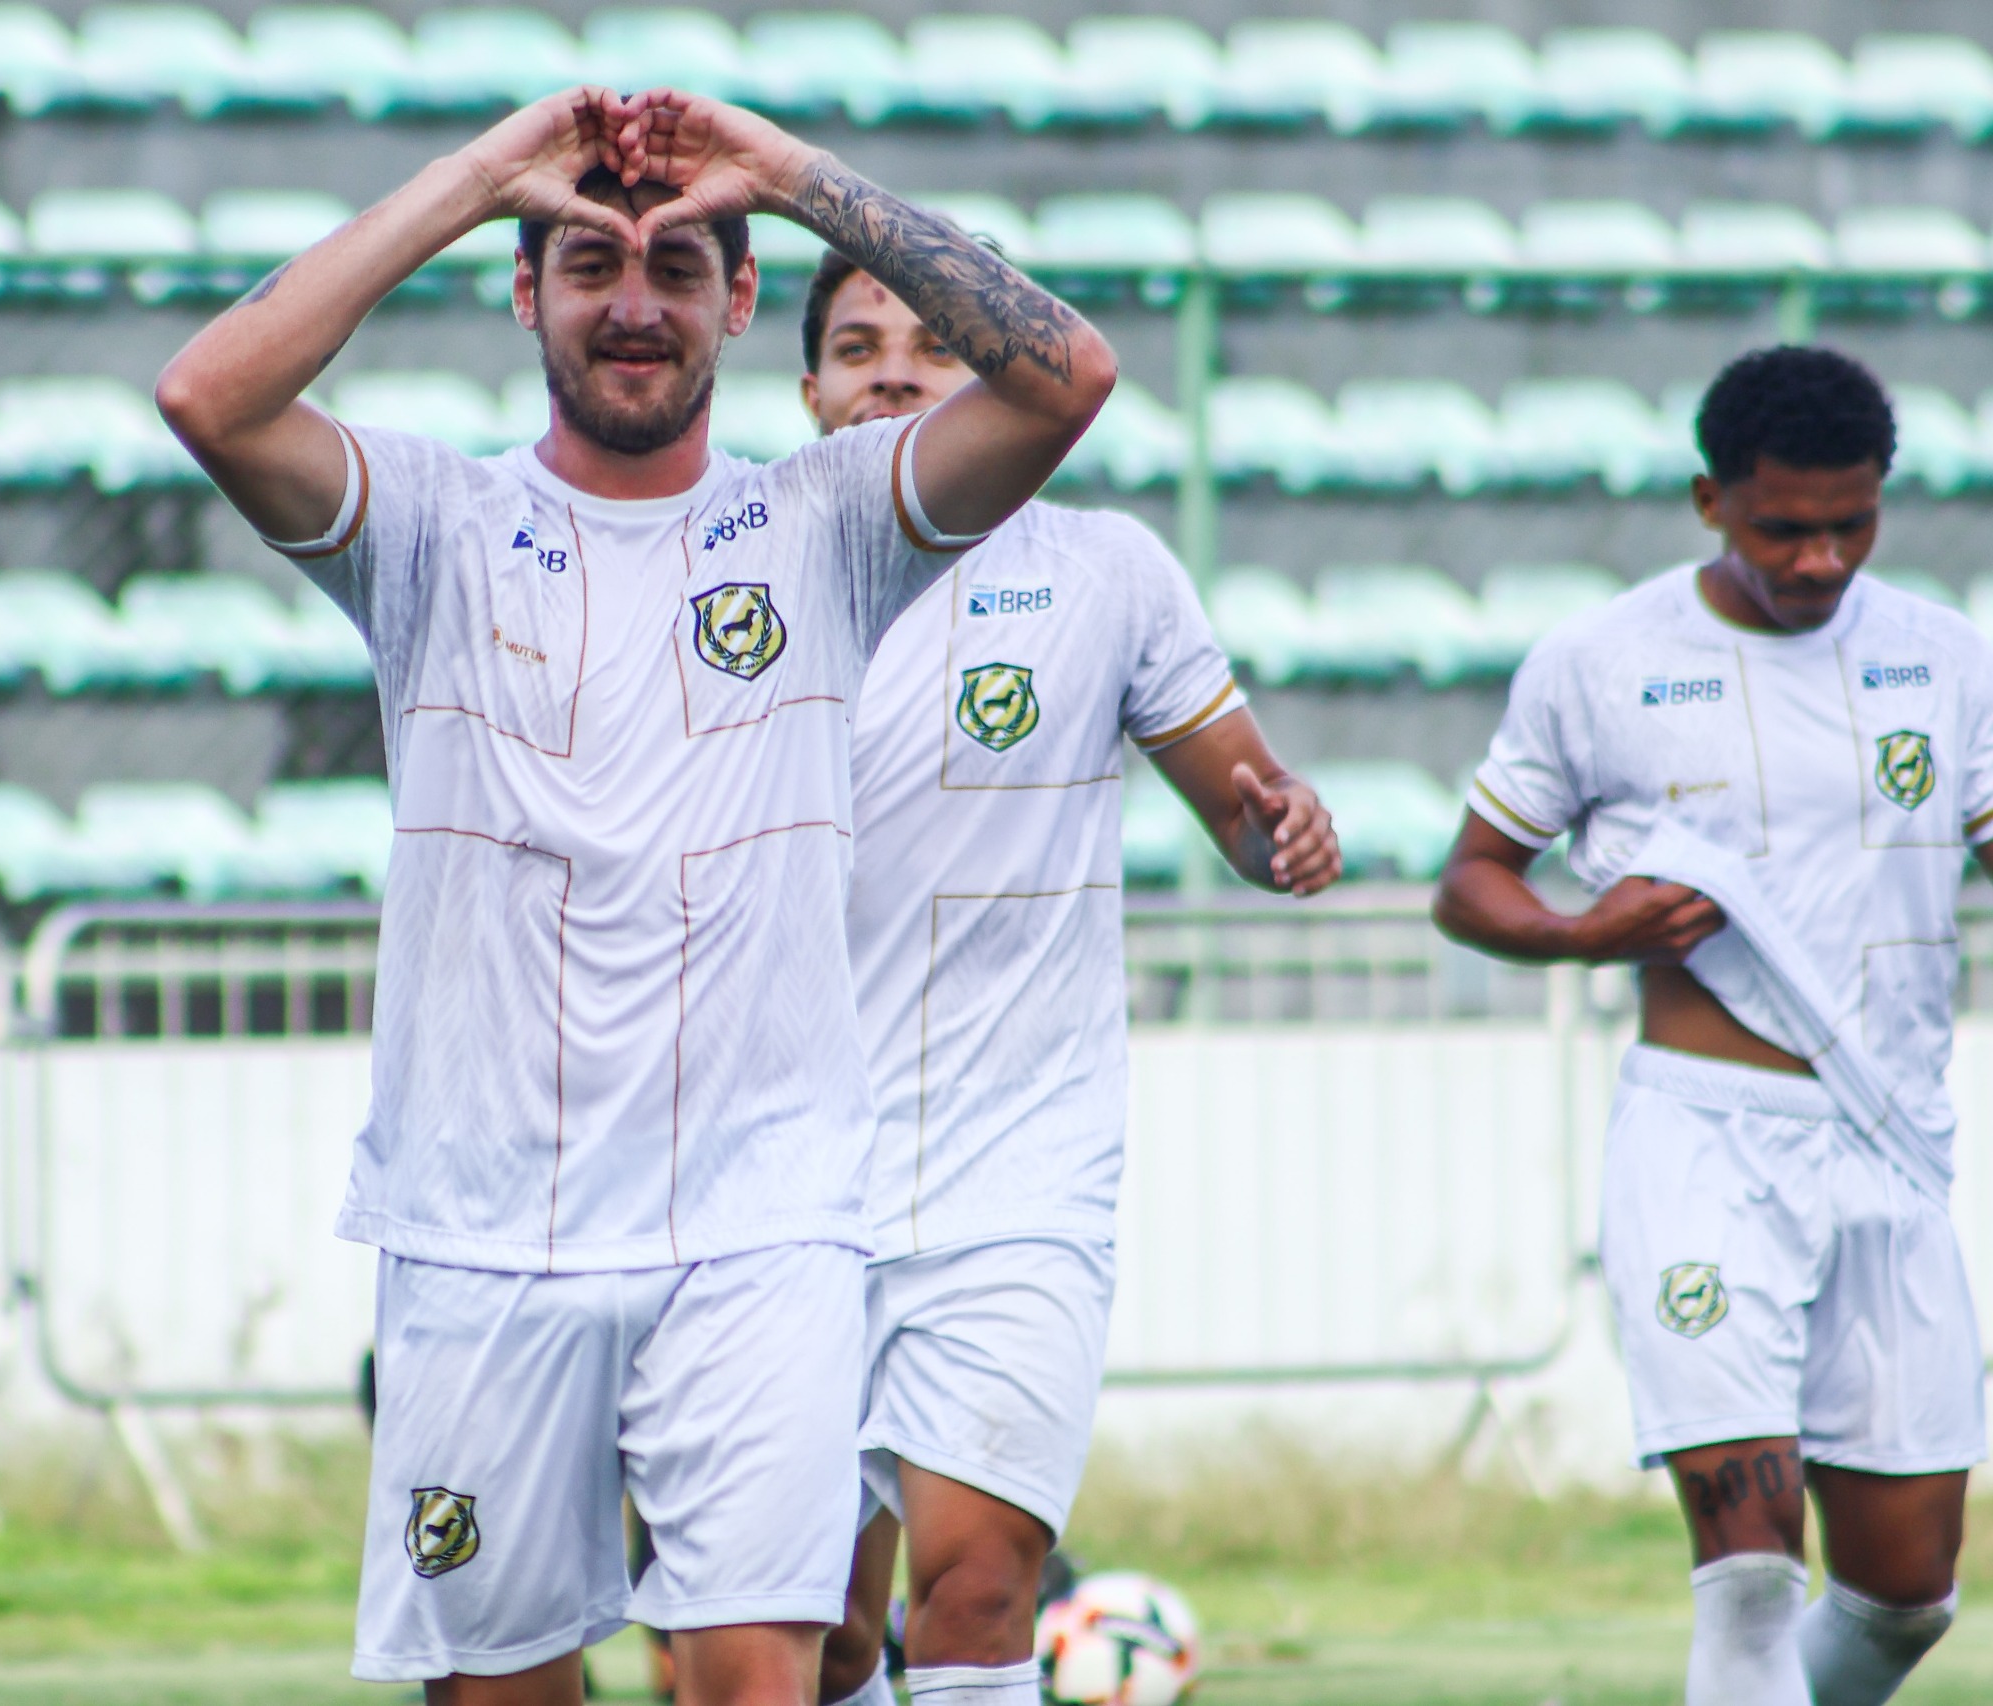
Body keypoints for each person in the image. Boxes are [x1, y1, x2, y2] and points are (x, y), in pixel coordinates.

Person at [156, 85, 1117, 1706]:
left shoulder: (824, 525)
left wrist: (794, 178)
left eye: (680, 266)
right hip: (477, 1234)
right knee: (501, 1688)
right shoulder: (434, 527)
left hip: (759, 1228)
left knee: (755, 1676)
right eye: (589, 262)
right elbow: (206, 392)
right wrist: (475, 180)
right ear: (524, 292)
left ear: (743, 304)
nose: (635, 305)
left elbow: (1067, 373)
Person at [796, 251, 1342, 1706]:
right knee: (819, 1629)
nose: (896, 370)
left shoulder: (1106, 571)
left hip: (1018, 1173)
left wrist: (1277, 819)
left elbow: (1242, 795)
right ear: (806, 391)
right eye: (857, 347)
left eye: (933, 344)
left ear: (999, 379)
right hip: (775, 1181)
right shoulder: (749, 564)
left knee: (977, 1590)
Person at [1434, 345, 1978, 1706]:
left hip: (1894, 1147)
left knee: (1906, 1597)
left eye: (1851, 523)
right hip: (1705, 1146)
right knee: (1747, 1568)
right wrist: (1578, 930)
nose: (1818, 559)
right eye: (1783, 527)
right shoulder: (1603, 663)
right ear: (1709, 501)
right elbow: (1469, 880)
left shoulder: (1947, 660)